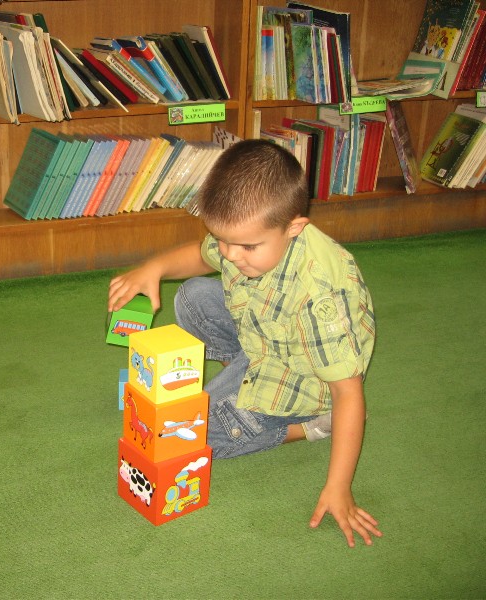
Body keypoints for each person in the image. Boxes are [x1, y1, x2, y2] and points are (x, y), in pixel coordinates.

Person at [108, 139, 382, 547]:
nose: (231, 255)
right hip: (267, 337)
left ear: (294, 228)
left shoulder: (319, 298)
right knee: (192, 298)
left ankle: (307, 426)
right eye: (222, 239)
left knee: (188, 436)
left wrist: (339, 487)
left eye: (247, 246)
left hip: (307, 380)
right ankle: (240, 378)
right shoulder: (247, 240)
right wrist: (155, 267)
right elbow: (202, 256)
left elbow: (348, 392)